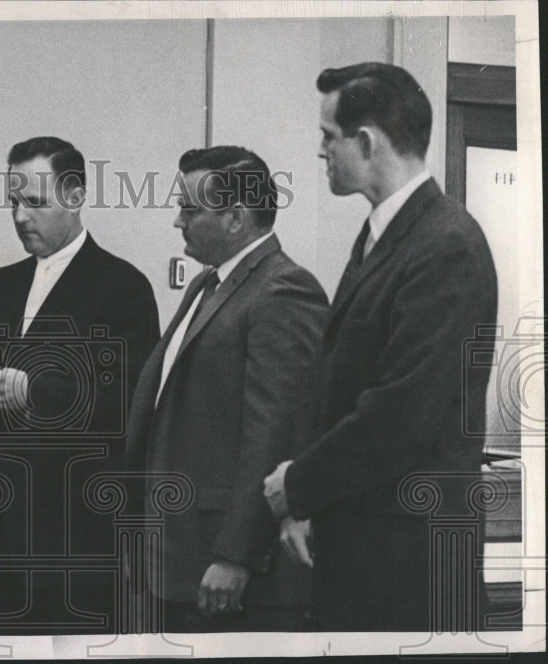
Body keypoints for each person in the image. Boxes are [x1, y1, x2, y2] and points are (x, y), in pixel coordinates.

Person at [263, 62, 498, 631]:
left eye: (328, 137)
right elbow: (336, 382)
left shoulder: (446, 245)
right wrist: (307, 499)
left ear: (366, 142)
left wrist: (297, 486)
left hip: (408, 564)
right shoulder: (387, 233)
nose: (321, 152)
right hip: (371, 546)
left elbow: (400, 415)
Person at [0, 137, 160, 635]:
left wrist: (33, 390)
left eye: (34, 202)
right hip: (2, 530)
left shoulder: (124, 286)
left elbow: (131, 399)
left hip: (81, 532)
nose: (18, 217)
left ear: (75, 198)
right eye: (13, 202)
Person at [123, 146, 327, 632]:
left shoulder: (283, 289)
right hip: (177, 557)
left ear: (236, 217)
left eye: (190, 210)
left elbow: (275, 433)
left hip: (227, 570)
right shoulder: (204, 287)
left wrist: (235, 555)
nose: (178, 222)